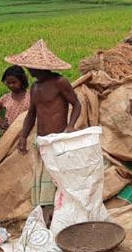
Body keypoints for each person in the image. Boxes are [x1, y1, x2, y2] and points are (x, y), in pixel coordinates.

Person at [10, 40, 82, 224]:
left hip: (58, 140)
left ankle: (59, 218)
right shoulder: (34, 88)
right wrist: (23, 136)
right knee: (43, 183)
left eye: (31, 67)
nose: (29, 70)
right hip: (42, 141)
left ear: (41, 67)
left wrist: (71, 125)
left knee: (57, 182)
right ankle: (47, 218)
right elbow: (31, 114)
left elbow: (76, 104)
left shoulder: (60, 83)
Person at [0, 65, 30, 130]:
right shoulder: (6, 98)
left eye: (14, 82)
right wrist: (0, 122)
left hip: (27, 132)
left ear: (22, 81)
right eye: (8, 83)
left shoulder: (31, 97)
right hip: (9, 133)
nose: (11, 85)